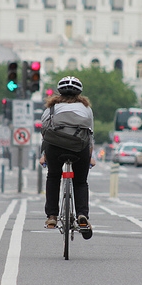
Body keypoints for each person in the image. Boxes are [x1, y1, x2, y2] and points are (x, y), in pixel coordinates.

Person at [38, 76, 95, 239]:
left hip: (55, 148)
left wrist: (44, 155)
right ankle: (82, 215)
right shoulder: (86, 108)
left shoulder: (51, 107)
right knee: (80, 181)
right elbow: (90, 133)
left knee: (53, 176)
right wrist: (91, 155)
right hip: (79, 147)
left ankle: (52, 216)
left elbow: (45, 131)